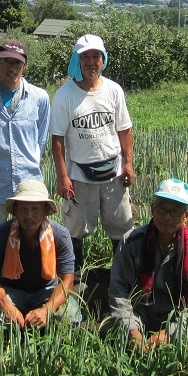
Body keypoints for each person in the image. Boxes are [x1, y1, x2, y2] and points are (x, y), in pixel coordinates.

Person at [49, 34, 134, 276]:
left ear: (103, 59)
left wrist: (128, 163)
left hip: (113, 172)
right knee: (76, 229)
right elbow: (57, 139)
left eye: (96, 56)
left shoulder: (113, 90)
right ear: (77, 61)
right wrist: (62, 177)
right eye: (84, 57)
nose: (90, 62)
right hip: (80, 174)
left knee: (121, 227)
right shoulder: (65, 95)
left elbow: (124, 129)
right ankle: (73, 281)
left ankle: (120, 278)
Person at [0, 39, 50, 280]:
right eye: (6, 61)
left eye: (17, 62)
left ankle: (27, 292)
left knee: (31, 242)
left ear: (24, 66)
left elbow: (41, 142)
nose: (11, 68)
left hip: (29, 184)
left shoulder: (39, 98)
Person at [105, 179, 188, 348]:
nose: (167, 216)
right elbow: (118, 290)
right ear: (152, 209)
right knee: (109, 327)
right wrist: (132, 329)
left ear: (186, 216)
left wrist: (171, 332)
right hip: (140, 312)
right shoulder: (131, 242)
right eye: (162, 208)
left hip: (178, 315)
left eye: (175, 211)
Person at [0, 180, 80, 330]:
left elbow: (67, 280)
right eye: (23, 209)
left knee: (69, 316)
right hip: (12, 292)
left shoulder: (60, 236)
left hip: (47, 292)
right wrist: (7, 307)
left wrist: (47, 310)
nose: (29, 215)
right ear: (15, 210)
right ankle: (6, 344)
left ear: (45, 210)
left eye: (35, 209)